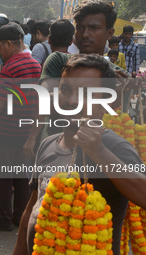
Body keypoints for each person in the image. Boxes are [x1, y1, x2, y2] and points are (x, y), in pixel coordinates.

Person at [13, 1, 132, 254]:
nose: (85, 34)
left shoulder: (117, 76)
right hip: (57, 141)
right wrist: (34, 136)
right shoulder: (59, 60)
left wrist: (100, 149)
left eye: (94, 28)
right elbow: (31, 210)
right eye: (80, 28)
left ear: (110, 33)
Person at [27, 53, 146, 255]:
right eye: (65, 89)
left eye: (85, 93)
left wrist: (99, 152)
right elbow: (32, 208)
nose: (71, 100)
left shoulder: (116, 147)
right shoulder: (47, 144)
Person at [0, 22, 42, 231]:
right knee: (22, 176)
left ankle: (4, 219)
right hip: (25, 132)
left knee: (2, 178)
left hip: (5, 132)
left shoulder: (11, 67)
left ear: (9, 44)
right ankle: (19, 217)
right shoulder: (35, 64)